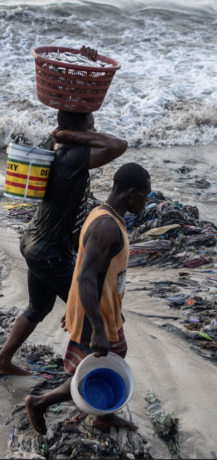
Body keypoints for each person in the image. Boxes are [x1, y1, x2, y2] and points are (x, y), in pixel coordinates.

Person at [0, 98, 128, 376]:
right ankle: (89, 389)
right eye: (90, 128)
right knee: (91, 317)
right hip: (48, 251)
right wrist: (77, 136)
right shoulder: (72, 157)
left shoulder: (54, 149)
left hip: (34, 241)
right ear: (73, 130)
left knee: (39, 306)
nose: (94, 132)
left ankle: (2, 361)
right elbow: (118, 145)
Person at [26, 163, 151, 434]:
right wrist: (93, 326)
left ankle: (103, 416)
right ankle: (39, 402)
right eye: (145, 195)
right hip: (97, 316)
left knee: (117, 354)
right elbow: (85, 276)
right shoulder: (106, 226)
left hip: (106, 309)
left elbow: (83, 268)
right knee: (85, 372)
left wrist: (76, 306)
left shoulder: (104, 214)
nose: (147, 200)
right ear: (131, 193)